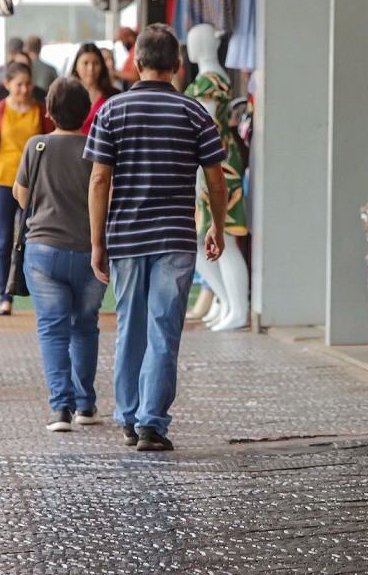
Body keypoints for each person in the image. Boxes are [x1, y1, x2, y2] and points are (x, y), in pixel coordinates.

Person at [85, 24, 228, 452]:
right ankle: (152, 423)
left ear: (137, 63)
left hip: (126, 238)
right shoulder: (194, 113)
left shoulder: (112, 111)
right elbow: (217, 181)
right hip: (175, 237)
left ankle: (129, 418)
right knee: (164, 328)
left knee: (131, 327)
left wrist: (97, 241)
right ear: (177, 66)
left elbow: (98, 180)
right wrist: (216, 224)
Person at [13, 77, 103, 432]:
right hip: (89, 251)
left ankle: (59, 410)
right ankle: (86, 405)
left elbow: (21, 197)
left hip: (44, 253)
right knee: (85, 326)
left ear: (48, 111)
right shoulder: (96, 148)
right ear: (86, 113)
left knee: (52, 329)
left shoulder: (36, 147)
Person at [0, 62, 52, 316]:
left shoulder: (40, 111)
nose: (24, 89)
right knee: (4, 241)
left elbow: (51, 145)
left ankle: (34, 289)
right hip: (2, 181)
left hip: (34, 184)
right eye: (19, 84)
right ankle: (5, 295)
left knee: (32, 239)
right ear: (8, 84)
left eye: (28, 84)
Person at [70, 43, 118, 134]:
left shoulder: (114, 96)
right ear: (76, 66)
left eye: (96, 63)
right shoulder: (67, 96)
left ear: (102, 67)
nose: (91, 68)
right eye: (85, 63)